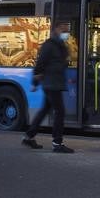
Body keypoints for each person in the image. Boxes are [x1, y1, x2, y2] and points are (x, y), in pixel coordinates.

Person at [21, 21, 74, 153]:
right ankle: (57, 143)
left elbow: (59, 63)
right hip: (51, 83)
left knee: (45, 109)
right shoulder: (49, 45)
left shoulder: (59, 45)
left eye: (67, 30)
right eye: (64, 30)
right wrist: (34, 83)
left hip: (54, 82)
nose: (66, 33)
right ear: (56, 29)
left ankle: (28, 137)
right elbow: (40, 65)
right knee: (60, 111)